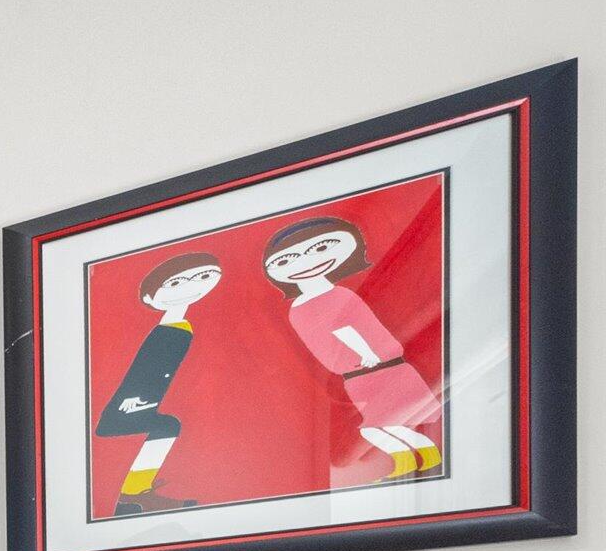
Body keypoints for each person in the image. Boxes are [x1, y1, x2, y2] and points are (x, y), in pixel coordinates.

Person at [262, 214, 442, 481]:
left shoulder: (339, 297)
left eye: (321, 248)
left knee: (376, 428)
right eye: (286, 260)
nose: (305, 262)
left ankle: (424, 455)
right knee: (381, 427)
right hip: (354, 378)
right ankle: (414, 458)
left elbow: (347, 329)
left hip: (379, 369)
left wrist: (367, 353)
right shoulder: (297, 309)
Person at [95, 250, 223, 516]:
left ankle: (133, 495)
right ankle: (132, 495)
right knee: (167, 426)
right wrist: (127, 401)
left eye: (203, 276)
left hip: (146, 399)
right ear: (149, 298)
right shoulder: (165, 331)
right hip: (130, 403)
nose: (192, 286)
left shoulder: (182, 326)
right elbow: (142, 369)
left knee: (167, 426)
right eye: (176, 283)